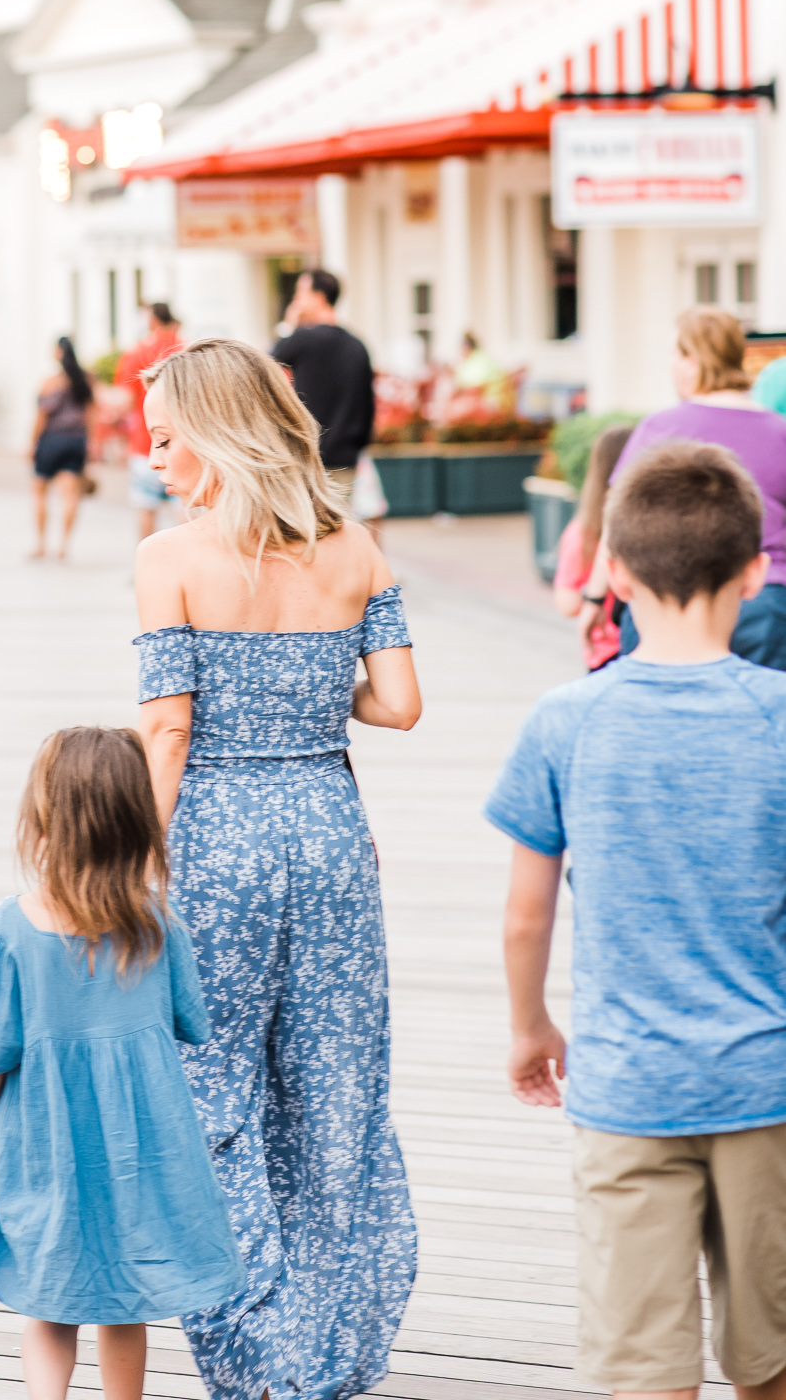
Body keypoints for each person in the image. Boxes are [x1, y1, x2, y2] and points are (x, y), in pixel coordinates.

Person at [134, 338, 421, 1400]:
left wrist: (130, 866)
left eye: (165, 433)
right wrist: (304, 690)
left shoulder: (169, 557)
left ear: (215, 432)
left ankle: (255, 1350)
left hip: (216, 832)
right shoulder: (353, 544)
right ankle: (329, 1338)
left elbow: (166, 728)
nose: (150, 452)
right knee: (334, 1087)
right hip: (330, 832)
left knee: (215, 1087)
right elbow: (397, 702)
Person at [485, 440, 786, 1400]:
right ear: (754, 568)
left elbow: (526, 915)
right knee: (771, 1359)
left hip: (625, 1089)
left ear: (610, 570)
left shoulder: (565, 720)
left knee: (642, 1370)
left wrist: (530, 1026)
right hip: (767, 1082)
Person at [0, 726, 242, 1400]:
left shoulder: (6, 931)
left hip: (46, 1146)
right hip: (141, 1152)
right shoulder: (158, 926)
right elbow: (190, 1022)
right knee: (126, 1303)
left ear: (42, 817)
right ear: (135, 822)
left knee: (50, 1306)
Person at [580, 307, 786, 668]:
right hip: (765, 605)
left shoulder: (659, 430)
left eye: (677, 355)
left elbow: (617, 522)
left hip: (666, 603)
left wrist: (595, 599)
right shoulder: (779, 432)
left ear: (694, 360)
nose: (673, 365)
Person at [271, 269, 376, 500]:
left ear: (319, 297)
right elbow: (368, 406)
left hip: (307, 456)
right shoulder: (357, 346)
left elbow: (267, 361)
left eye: (300, 292)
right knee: (339, 523)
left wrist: (289, 325)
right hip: (345, 457)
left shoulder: (301, 340)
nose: (295, 300)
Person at [552, 423, 633, 669]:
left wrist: (595, 597)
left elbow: (567, 604)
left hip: (604, 650)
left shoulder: (582, 533)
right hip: (645, 643)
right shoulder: (651, 528)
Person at [115, 303, 183, 542]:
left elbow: (123, 402)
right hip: (184, 445)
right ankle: (190, 568)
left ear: (152, 320)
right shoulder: (187, 349)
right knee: (184, 510)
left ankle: (145, 566)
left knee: (145, 508)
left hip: (145, 446)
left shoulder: (136, 353)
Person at [28, 339, 95, 562]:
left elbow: (41, 416)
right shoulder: (85, 380)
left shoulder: (51, 383)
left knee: (39, 491)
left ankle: (41, 545)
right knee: (70, 495)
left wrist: (31, 443)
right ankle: (64, 545)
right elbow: (92, 414)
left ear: (58, 353)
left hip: (52, 441)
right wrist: (92, 443)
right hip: (77, 441)